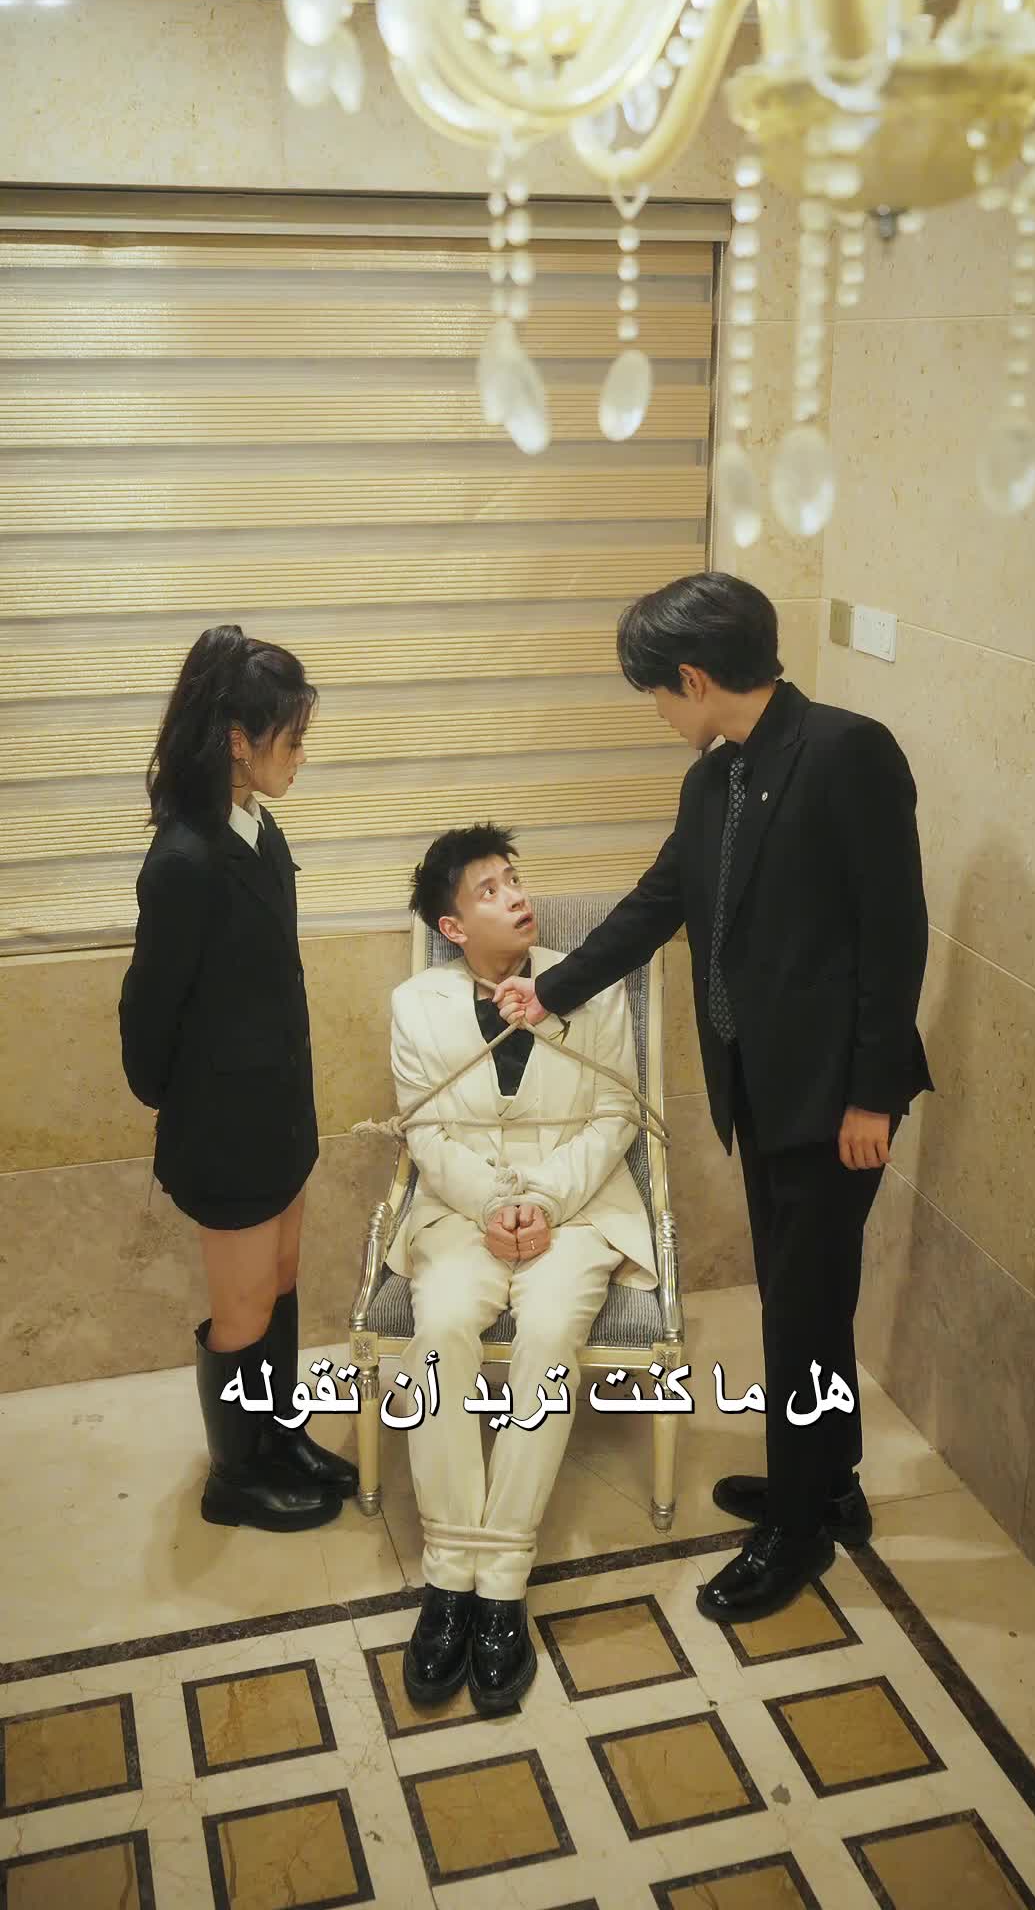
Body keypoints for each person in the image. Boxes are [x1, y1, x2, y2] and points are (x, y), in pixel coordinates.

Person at [494, 573, 932, 1621]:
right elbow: (657, 904)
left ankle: (798, 1529)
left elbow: (896, 934)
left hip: (834, 1098)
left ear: (693, 678)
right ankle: (827, 1483)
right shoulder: (714, 779)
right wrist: (548, 991)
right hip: (761, 1089)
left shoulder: (846, 753)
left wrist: (872, 1098)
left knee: (802, 1312)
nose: (655, 711)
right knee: (802, 1301)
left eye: (655, 692)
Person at [390, 825, 655, 1713]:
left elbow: (617, 1111)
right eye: (488, 890)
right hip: (461, 1210)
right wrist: (489, 1204)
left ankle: (501, 1582)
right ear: (452, 926)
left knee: (546, 1336)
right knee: (441, 1329)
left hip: (574, 1207)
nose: (514, 896)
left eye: (514, 879)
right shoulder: (415, 1005)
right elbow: (424, 1128)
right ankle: (448, 1577)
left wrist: (541, 1200)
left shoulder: (589, 982)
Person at [119, 624, 358, 1533]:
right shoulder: (185, 857)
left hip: (277, 1107)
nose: (300, 757)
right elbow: (150, 1003)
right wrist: (181, 1101)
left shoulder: (255, 825)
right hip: (225, 1122)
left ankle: (277, 1436)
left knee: (282, 1278)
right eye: (290, 740)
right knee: (242, 1302)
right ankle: (235, 1475)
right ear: (236, 741)